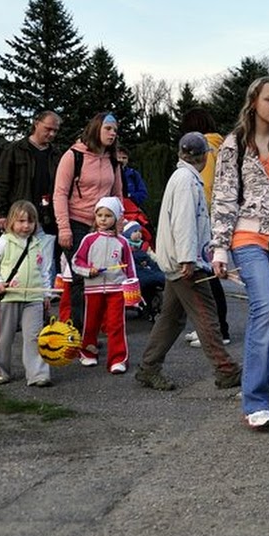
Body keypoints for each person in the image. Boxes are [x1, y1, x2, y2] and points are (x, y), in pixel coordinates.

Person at [211, 77, 269, 430]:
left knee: (268, 317)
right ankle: (255, 402)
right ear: (254, 102)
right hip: (247, 237)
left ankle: (261, 398)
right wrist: (220, 248)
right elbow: (222, 198)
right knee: (265, 307)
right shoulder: (234, 145)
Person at [136, 133, 241, 392]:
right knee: (206, 315)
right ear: (204, 156)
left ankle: (148, 367)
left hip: (179, 261)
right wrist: (188, 259)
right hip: (187, 263)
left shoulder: (180, 177)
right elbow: (183, 222)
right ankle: (225, 369)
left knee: (171, 319)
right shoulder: (187, 181)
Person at [53, 112, 123, 331]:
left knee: (102, 278)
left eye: (115, 130)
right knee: (80, 277)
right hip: (76, 222)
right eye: (108, 129)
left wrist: (118, 225)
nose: (113, 133)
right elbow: (60, 193)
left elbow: (118, 194)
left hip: (103, 226)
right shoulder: (74, 156)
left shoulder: (112, 159)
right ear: (96, 129)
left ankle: (92, 331)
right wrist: (64, 228)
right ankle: (76, 330)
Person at [179, 108, 230, 345]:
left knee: (207, 276)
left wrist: (201, 218)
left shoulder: (205, 148)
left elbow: (205, 186)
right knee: (207, 275)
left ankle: (218, 329)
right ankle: (212, 327)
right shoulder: (220, 145)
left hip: (207, 219)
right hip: (216, 216)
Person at [0, 110, 63, 285]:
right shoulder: (14, 150)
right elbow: (2, 183)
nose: (52, 134)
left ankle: (44, 299)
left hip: (46, 217)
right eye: (48, 129)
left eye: (55, 130)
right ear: (36, 123)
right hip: (18, 216)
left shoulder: (56, 155)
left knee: (45, 262)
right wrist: (0, 213)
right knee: (13, 259)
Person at [72, 196, 136, 374]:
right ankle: (88, 352)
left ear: (116, 218)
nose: (103, 219)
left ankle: (118, 359)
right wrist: (88, 271)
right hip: (93, 288)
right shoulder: (89, 240)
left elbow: (130, 268)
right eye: (99, 215)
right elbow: (76, 262)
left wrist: (133, 293)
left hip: (117, 288)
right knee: (91, 322)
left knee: (116, 324)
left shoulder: (123, 242)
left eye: (108, 215)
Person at [0, 200, 52, 386]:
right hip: (9, 298)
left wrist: (46, 295)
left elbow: (44, 271)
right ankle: (0, 370)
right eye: (21, 221)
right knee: (3, 337)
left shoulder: (37, 244)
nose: (26, 226)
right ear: (11, 221)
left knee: (34, 337)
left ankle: (38, 374)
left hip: (34, 298)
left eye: (30, 221)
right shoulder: (3, 242)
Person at [122, 221, 165, 321]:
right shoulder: (126, 247)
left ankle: (154, 308)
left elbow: (153, 257)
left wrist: (161, 263)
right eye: (134, 231)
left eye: (139, 231)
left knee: (157, 277)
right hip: (136, 273)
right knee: (147, 281)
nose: (138, 233)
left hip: (148, 269)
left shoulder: (144, 246)